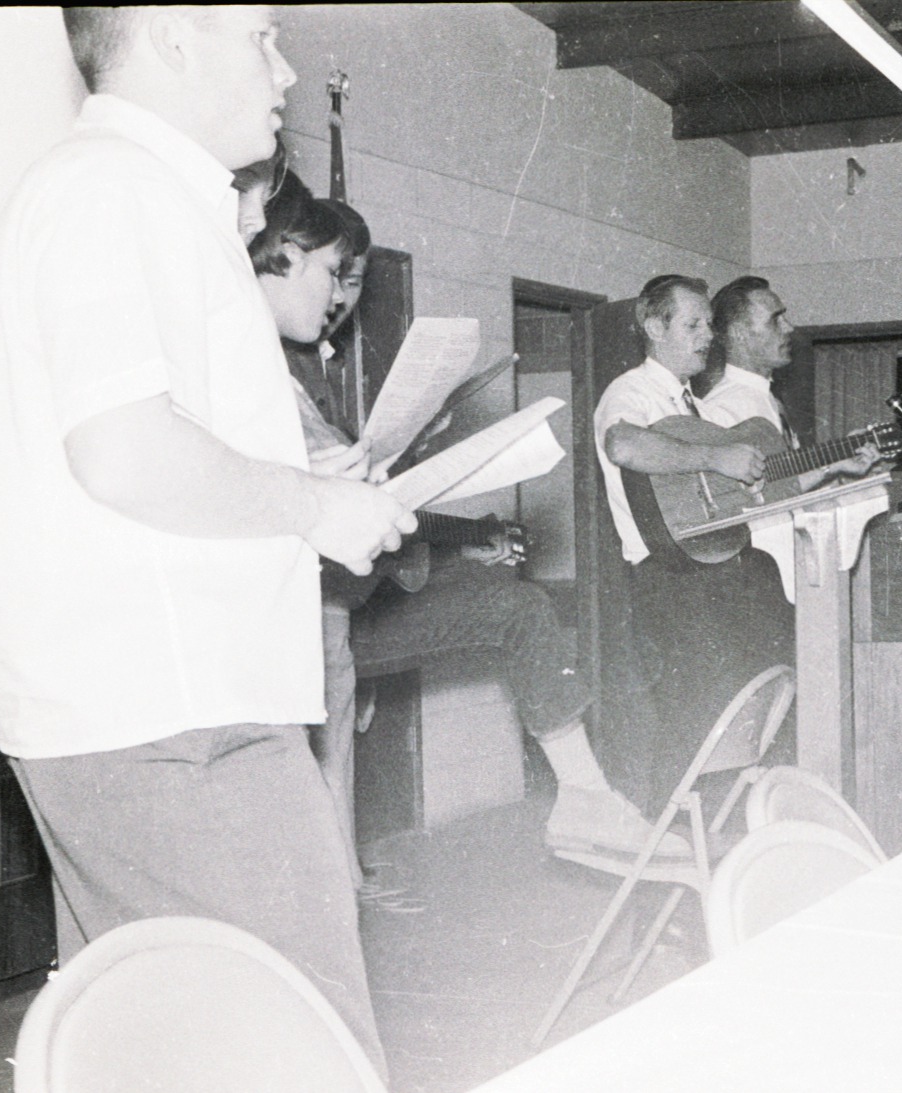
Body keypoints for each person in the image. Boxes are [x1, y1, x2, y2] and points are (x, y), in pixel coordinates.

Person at [0, 8, 412, 1073]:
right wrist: (314, 509)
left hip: (156, 706)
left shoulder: (131, 192)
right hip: (175, 717)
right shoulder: (115, 189)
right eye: (259, 36)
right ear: (170, 36)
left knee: (172, 1058)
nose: (284, 69)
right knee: (308, 1053)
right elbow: (124, 453)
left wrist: (313, 492)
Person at [250, 176, 683, 861]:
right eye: (335, 276)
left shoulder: (307, 364)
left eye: (352, 282)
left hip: (349, 594)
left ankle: (585, 796)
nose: (340, 298)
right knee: (320, 791)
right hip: (303, 614)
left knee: (519, 607)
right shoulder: (255, 363)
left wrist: (440, 507)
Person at [594, 275, 792, 810]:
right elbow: (623, 444)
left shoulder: (692, 407)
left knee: (739, 706)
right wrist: (713, 457)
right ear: (654, 327)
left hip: (711, 568)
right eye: (693, 325)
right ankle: (667, 833)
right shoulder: (630, 391)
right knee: (693, 717)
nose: (708, 335)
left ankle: (727, 824)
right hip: (668, 578)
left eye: (708, 323)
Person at [702, 275, 884, 485]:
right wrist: (830, 467)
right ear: (739, 334)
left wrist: (839, 469)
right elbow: (744, 497)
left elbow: (786, 488)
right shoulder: (721, 410)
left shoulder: (770, 399)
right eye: (775, 320)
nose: (789, 327)